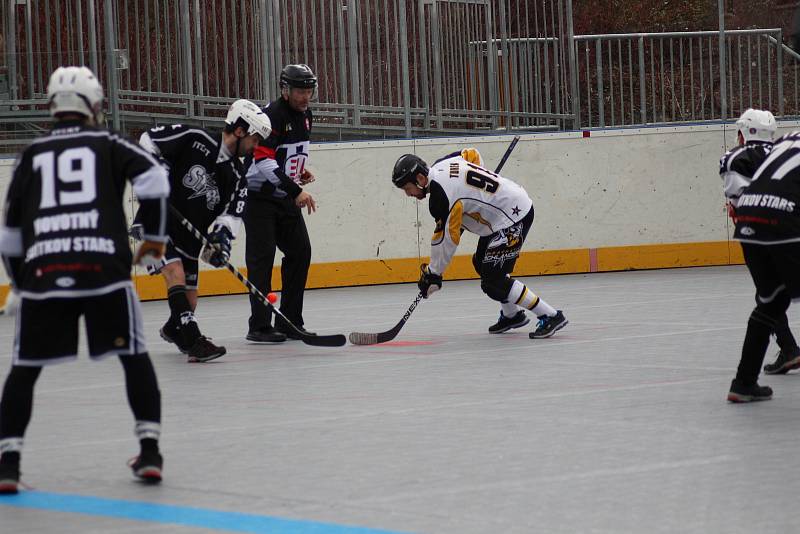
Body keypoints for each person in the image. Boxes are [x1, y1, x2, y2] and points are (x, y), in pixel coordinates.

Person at [0, 66, 170, 493]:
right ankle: (149, 451)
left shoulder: (31, 153)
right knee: (133, 355)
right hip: (104, 270)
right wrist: (154, 242)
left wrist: (21, 283)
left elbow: (10, 233)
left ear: (52, 105)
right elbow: (155, 178)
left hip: (44, 271)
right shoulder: (108, 141)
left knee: (25, 368)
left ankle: (9, 463)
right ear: (94, 105)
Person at [135, 99, 271, 361]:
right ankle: (194, 342)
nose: (256, 146)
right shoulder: (194, 138)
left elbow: (232, 214)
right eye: (255, 138)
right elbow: (148, 140)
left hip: (189, 236)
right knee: (173, 271)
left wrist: (220, 240)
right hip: (156, 222)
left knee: (190, 300)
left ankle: (175, 329)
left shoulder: (236, 174)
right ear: (240, 129)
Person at [391, 147, 568, 339]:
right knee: (481, 263)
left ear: (420, 179)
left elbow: (446, 239)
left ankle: (550, 315)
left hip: (512, 217)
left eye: (408, 188)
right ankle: (512, 315)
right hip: (505, 210)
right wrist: (478, 190)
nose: (408, 194)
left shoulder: (440, 197)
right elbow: (471, 154)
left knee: (493, 281)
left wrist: (434, 274)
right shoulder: (442, 164)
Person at [721, 109, 800, 376]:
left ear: (743, 132)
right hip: (789, 225)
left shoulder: (735, 158)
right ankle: (787, 349)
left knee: (768, 296)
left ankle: (787, 349)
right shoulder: (781, 150)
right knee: (774, 297)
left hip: (758, 230)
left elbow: (738, 201)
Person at [244, 64, 318, 343]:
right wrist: (295, 189)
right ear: (285, 90)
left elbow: (284, 153)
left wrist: (298, 170)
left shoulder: (307, 114)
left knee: (301, 252)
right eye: (300, 91)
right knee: (261, 261)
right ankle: (259, 326)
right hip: (260, 198)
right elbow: (262, 160)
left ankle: (290, 321)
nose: (305, 97)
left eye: (309, 91)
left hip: (284, 196)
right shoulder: (271, 115)